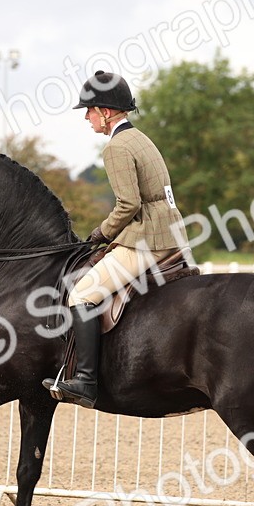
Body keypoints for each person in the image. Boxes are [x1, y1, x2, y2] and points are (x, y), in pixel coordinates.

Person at [43, 70, 187, 408]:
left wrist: (102, 232)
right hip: (169, 232)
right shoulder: (140, 138)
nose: (86, 118)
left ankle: (85, 381)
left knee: (81, 294)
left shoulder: (117, 147)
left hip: (147, 239)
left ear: (105, 112)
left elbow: (128, 204)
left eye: (89, 111)